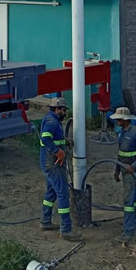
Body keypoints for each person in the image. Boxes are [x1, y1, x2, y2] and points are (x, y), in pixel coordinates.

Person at [111, 106, 136, 247]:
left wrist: (134, 165)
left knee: (128, 201)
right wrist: (117, 170)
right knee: (134, 198)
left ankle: (128, 232)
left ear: (125, 120)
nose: (117, 121)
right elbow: (120, 154)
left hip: (132, 171)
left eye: (118, 119)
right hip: (124, 170)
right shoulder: (120, 132)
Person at [39, 97, 78, 241]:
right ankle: (66, 229)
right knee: (63, 194)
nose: (64, 113)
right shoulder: (52, 121)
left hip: (49, 164)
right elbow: (45, 139)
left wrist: (64, 142)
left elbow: (52, 138)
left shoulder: (52, 120)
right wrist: (58, 151)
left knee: (51, 193)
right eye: (63, 110)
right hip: (54, 164)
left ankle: (45, 221)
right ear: (57, 109)